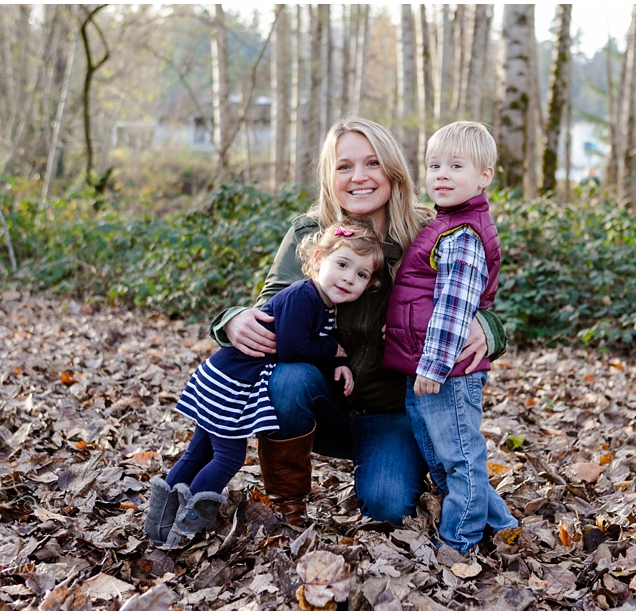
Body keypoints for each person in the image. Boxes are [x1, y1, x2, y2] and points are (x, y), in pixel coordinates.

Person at [206, 117, 508, 527]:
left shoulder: (430, 231)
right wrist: (231, 320)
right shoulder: (309, 233)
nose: (359, 177)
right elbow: (269, 310)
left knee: (387, 507)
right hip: (323, 401)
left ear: (393, 169)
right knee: (287, 379)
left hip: (394, 409)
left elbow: (476, 292)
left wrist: (487, 328)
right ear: (330, 176)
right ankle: (288, 505)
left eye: (372, 163)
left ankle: (410, 469)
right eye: (344, 166)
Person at [144, 220, 385, 547]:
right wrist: (332, 349)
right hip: (232, 383)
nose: (349, 278)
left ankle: (158, 523)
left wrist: (339, 360)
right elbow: (293, 348)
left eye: (361, 275)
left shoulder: (325, 303)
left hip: (226, 377)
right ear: (317, 261)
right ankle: (187, 526)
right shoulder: (304, 296)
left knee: (199, 451)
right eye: (342, 265)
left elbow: (323, 338)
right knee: (227, 458)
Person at [383, 121, 519, 554]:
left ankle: (459, 543)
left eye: (455, 166)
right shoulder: (443, 224)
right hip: (426, 367)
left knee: (460, 459)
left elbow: (454, 308)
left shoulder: (463, 234)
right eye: (434, 164)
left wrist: (434, 365)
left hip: (446, 372)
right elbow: (420, 294)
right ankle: (503, 527)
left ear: (484, 176)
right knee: (443, 458)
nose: (441, 174)